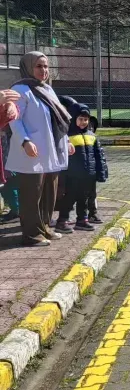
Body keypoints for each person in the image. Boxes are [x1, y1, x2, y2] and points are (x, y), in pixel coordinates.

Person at [6, 52, 75, 247]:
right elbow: (15, 119)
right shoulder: (21, 89)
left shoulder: (47, 89)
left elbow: (57, 120)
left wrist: (66, 140)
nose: (43, 70)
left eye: (45, 66)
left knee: (49, 193)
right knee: (31, 194)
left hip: (51, 149)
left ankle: (44, 227)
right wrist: (25, 141)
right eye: (38, 66)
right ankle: (31, 234)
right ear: (28, 67)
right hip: (31, 151)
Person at [55, 104, 108, 233]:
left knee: (83, 199)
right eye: (80, 119)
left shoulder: (92, 136)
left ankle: (82, 220)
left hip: (88, 175)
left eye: (86, 119)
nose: (83, 122)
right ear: (74, 119)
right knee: (69, 198)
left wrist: (101, 172)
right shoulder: (67, 136)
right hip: (72, 175)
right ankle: (62, 221)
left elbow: (99, 156)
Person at [0, 90, 20, 221]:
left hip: (7, 152)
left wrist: (10, 105)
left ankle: (16, 210)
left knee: (9, 182)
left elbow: (12, 113)